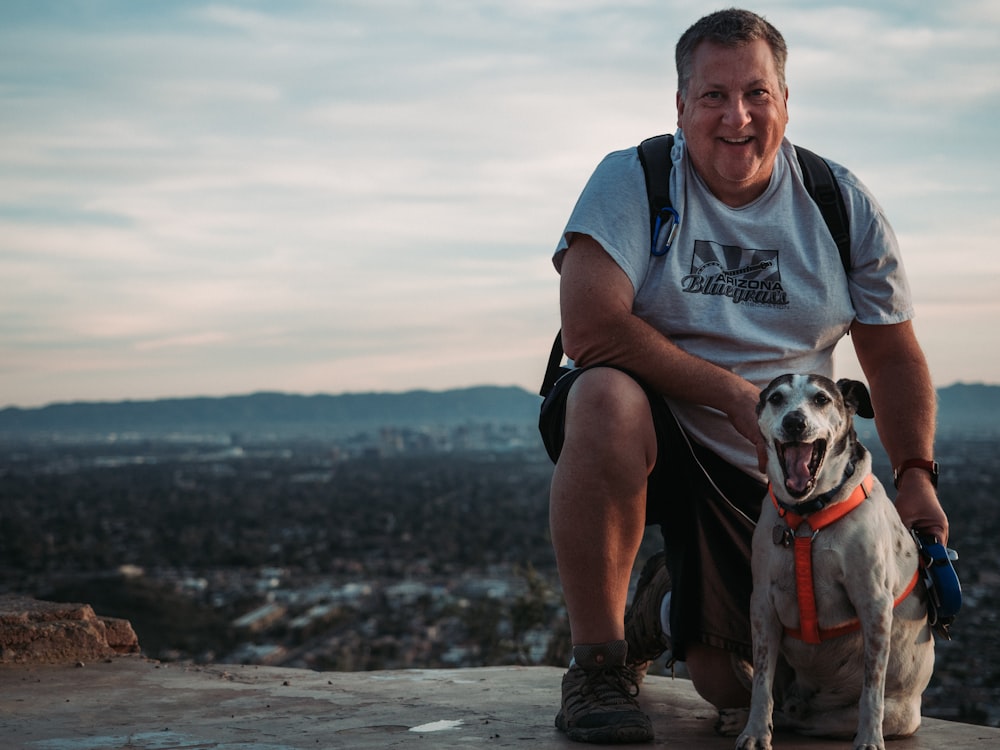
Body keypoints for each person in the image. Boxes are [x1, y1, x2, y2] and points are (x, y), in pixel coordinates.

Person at [538, 8, 949, 745]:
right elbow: (590, 327)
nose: (737, 116)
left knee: (731, 687)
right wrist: (729, 393)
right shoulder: (636, 179)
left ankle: (661, 610)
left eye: (756, 94)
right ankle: (597, 663)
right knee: (602, 393)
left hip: (778, 479)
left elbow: (891, 355)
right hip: (657, 436)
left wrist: (916, 470)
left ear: (785, 102)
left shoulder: (837, 202)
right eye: (713, 96)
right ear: (680, 106)